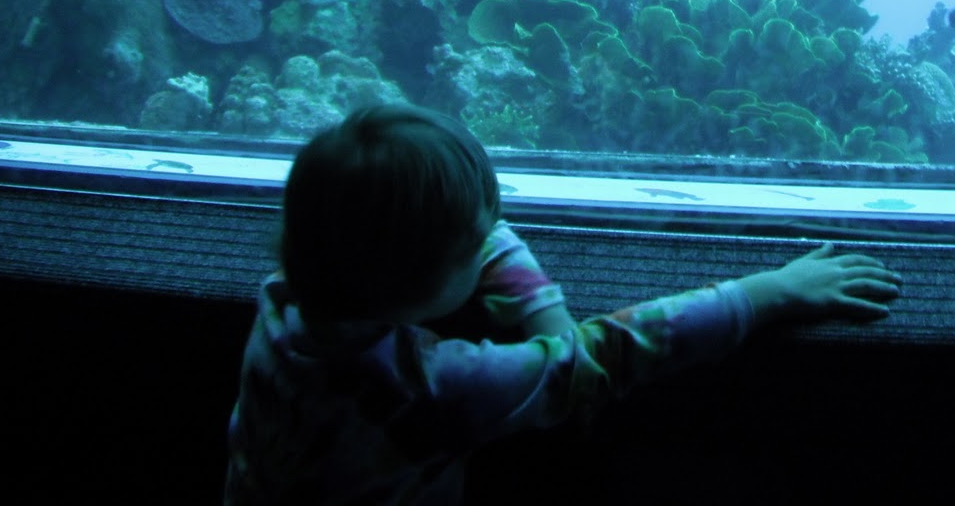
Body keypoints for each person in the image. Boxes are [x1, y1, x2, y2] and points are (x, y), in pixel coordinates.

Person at [224, 102, 902, 504]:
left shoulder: (285, 302)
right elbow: (601, 357)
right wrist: (765, 293)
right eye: (476, 241)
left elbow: (446, 235)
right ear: (422, 288)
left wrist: (500, 261)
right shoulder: (433, 387)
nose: (496, 234)